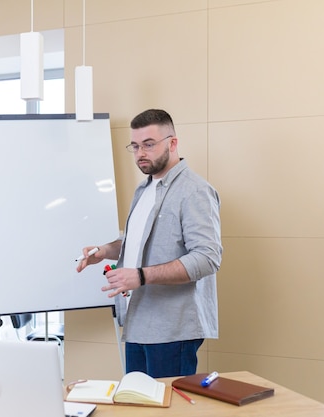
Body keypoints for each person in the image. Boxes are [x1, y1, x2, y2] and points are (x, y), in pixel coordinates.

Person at [76, 108, 222, 378]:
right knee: (138, 406)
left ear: (173, 143)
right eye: (135, 146)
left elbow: (207, 258)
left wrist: (141, 276)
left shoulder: (195, 191)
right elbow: (136, 241)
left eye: (149, 145)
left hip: (172, 330)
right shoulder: (144, 189)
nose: (140, 153)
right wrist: (105, 251)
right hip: (137, 322)